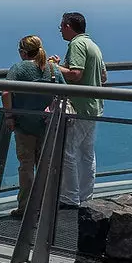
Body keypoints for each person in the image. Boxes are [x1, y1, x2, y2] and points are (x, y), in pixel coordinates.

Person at [51, 11, 106, 208]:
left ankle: (69, 198)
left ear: (68, 26)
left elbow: (75, 74)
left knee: (68, 151)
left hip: (80, 106)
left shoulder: (76, 44)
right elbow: (103, 77)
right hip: (94, 106)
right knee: (86, 153)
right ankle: (85, 196)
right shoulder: (93, 46)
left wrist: (55, 67)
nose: (60, 30)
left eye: (61, 26)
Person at [2, 35, 61, 217]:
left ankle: (26, 208)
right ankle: (46, 207)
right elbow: (64, 92)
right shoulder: (52, 69)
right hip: (47, 124)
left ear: (23, 52)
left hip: (24, 125)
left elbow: (6, 92)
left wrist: (9, 116)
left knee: (26, 167)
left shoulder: (18, 68)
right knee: (45, 166)